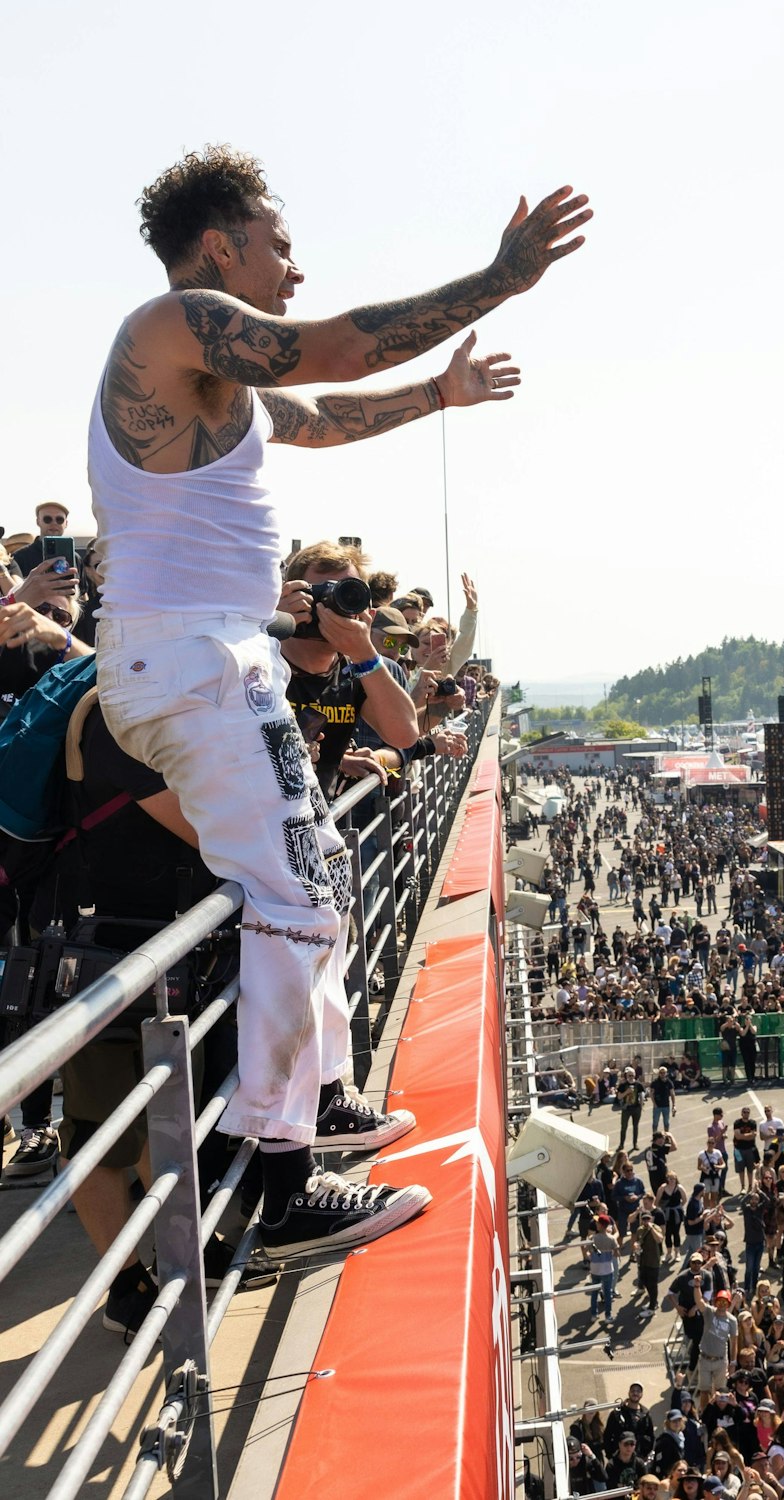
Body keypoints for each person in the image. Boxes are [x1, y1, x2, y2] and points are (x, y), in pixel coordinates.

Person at [88, 148, 588, 1254]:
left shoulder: (219, 381)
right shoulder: (171, 328)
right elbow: (336, 347)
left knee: (323, 873)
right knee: (298, 895)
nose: (294, 266)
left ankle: (316, 1102)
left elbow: (321, 411)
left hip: (210, 664)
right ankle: (276, 1179)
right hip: (193, 665)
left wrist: (440, 394)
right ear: (219, 247)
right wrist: (500, 279)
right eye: (278, 244)